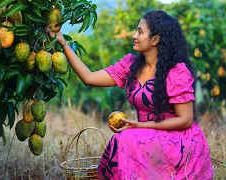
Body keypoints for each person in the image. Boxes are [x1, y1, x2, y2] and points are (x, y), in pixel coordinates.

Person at [48, 10, 213, 179]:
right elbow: (89, 78)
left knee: (124, 138)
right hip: (145, 138)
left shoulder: (177, 72)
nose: (134, 35)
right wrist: (63, 43)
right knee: (125, 138)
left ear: (155, 40)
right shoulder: (131, 65)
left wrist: (139, 126)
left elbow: (185, 120)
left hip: (178, 142)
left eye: (140, 32)